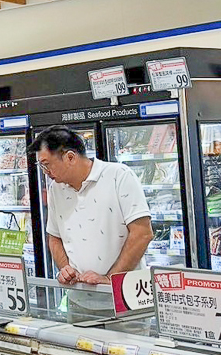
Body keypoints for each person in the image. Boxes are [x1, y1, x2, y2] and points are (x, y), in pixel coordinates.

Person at [28, 126, 153, 319]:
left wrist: (109, 279)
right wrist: (65, 268)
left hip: (125, 300)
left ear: (70, 157)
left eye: (46, 164)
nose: (45, 172)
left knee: (128, 349)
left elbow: (143, 233)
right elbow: (54, 237)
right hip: (78, 302)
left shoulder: (119, 176)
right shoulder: (56, 189)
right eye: (41, 166)